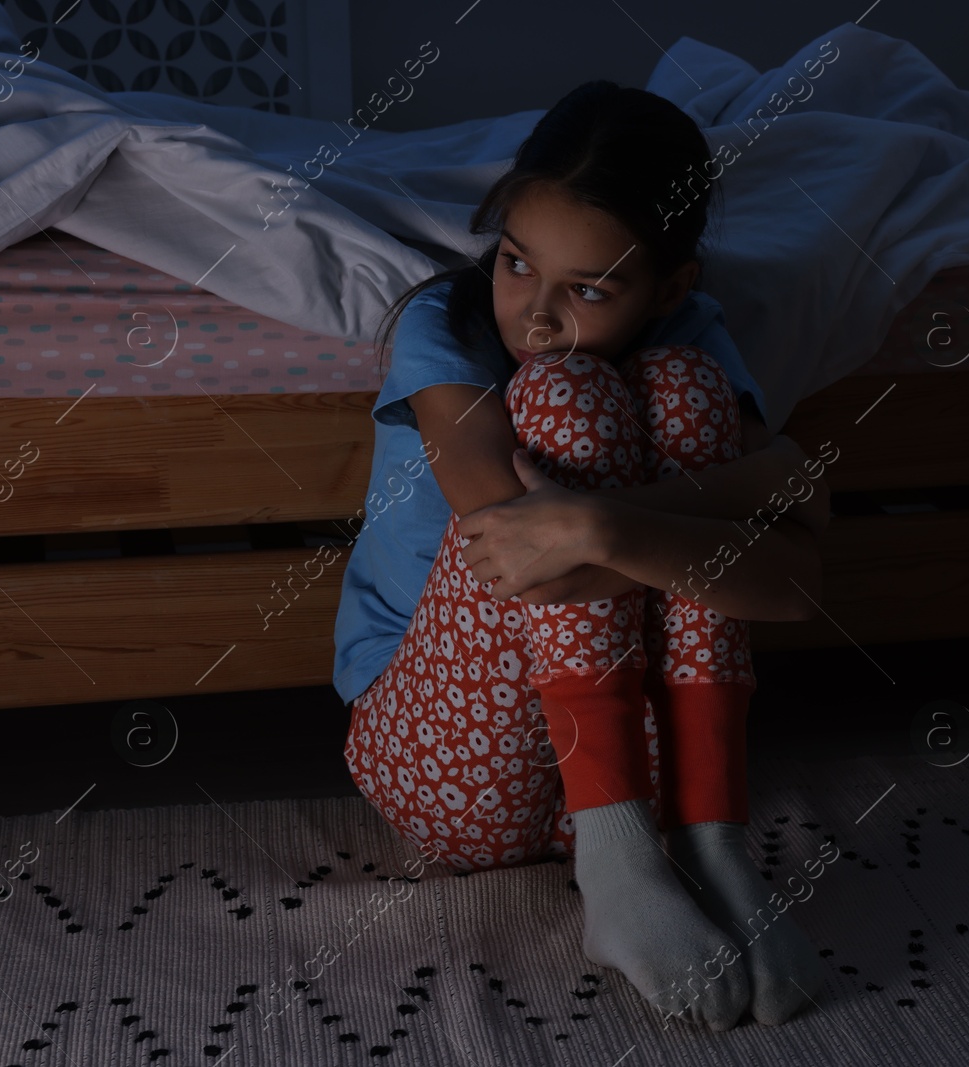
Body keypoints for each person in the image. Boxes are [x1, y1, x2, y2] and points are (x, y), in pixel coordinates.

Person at [332, 79, 829, 1032]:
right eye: (517, 263)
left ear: (669, 284)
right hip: (448, 764)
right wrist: (762, 488)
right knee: (565, 395)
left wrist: (606, 528)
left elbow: (803, 583)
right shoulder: (445, 328)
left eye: (590, 288)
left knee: (681, 386)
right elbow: (526, 557)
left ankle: (711, 842)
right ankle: (616, 862)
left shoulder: (692, 335)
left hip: (652, 768)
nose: (536, 317)